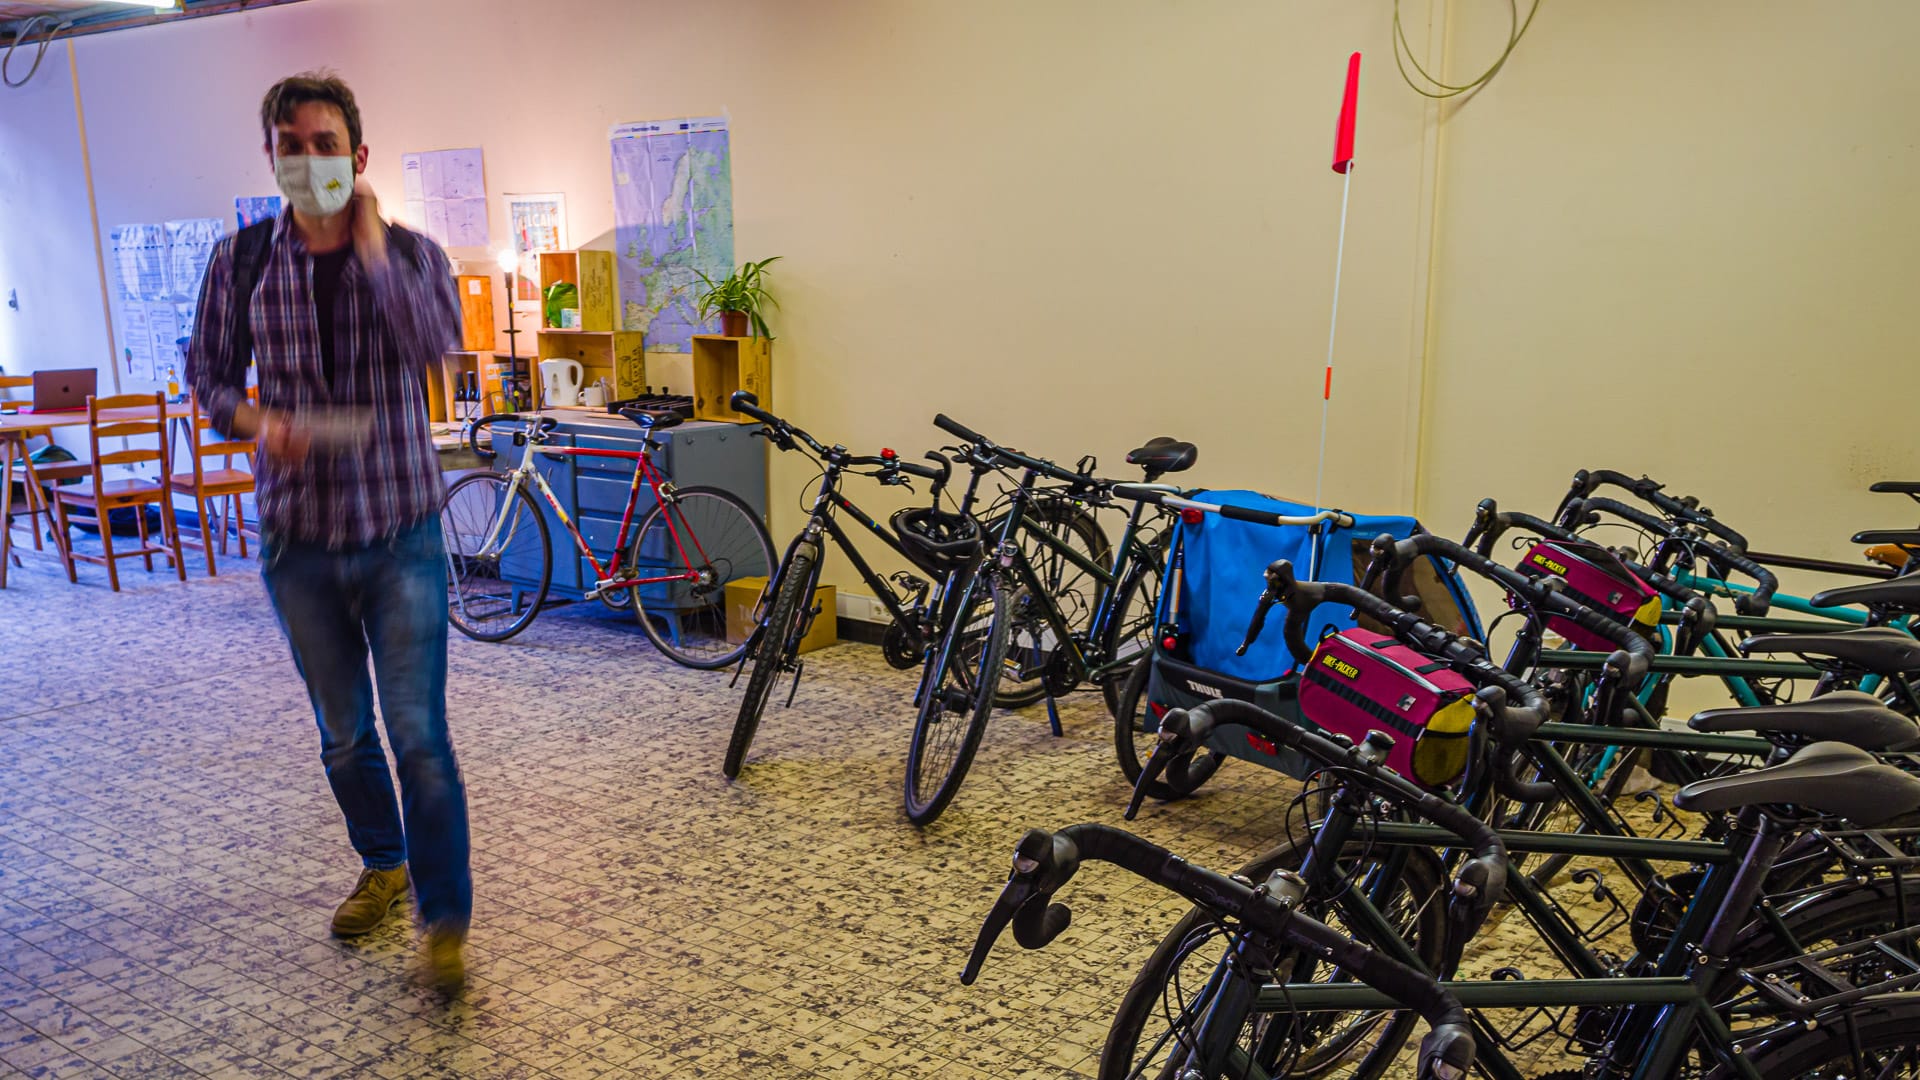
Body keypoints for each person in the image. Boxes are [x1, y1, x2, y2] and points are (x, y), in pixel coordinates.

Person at [185, 72, 470, 991]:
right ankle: (382, 862)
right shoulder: (238, 262)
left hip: (401, 534)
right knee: (345, 736)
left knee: (418, 735)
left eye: (324, 143)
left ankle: (445, 920)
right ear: (271, 155)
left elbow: (436, 346)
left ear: (359, 156)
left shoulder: (416, 254)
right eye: (290, 144)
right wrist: (260, 422)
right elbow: (208, 379)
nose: (309, 160)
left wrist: (376, 248)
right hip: (298, 542)